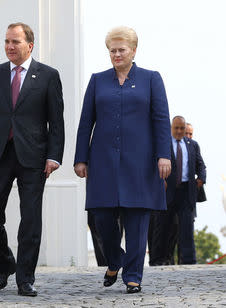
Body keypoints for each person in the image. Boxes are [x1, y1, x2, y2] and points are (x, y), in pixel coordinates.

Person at [0, 22, 64, 297]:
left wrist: (54, 156)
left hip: (33, 155)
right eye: (7, 41)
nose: (10, 46)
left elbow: (56, 122)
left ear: (29, 45)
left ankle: (25, 278)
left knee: (30, 218)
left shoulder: (47, 75)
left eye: (16, 42)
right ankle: (6, 263)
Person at [74, 26, 171, 294]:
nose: (116, 54)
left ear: (133, 51)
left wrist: (164, 155)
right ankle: (115, 259)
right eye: (112, 50)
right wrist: (80, 158)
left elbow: (161, 119)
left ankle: (133, 276)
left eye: (121, 50)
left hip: (141, 161)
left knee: (137, 219)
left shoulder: (152, 79)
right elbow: (86, 123)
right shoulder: (97, 80)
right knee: (101, 217)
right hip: (102, 160)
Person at [148, 116, 206, 265]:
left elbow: (201, 165)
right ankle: (157, 260)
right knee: (162, 227)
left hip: (186, 192)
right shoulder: (162, 144)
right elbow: (152, 165)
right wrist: (159, 181)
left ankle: (188, 260)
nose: (179, 131)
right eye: (176, 128)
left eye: (182, 128)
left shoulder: (192, 145)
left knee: (187, 228)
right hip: (167, 191)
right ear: (171, 128)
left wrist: (201, 178)